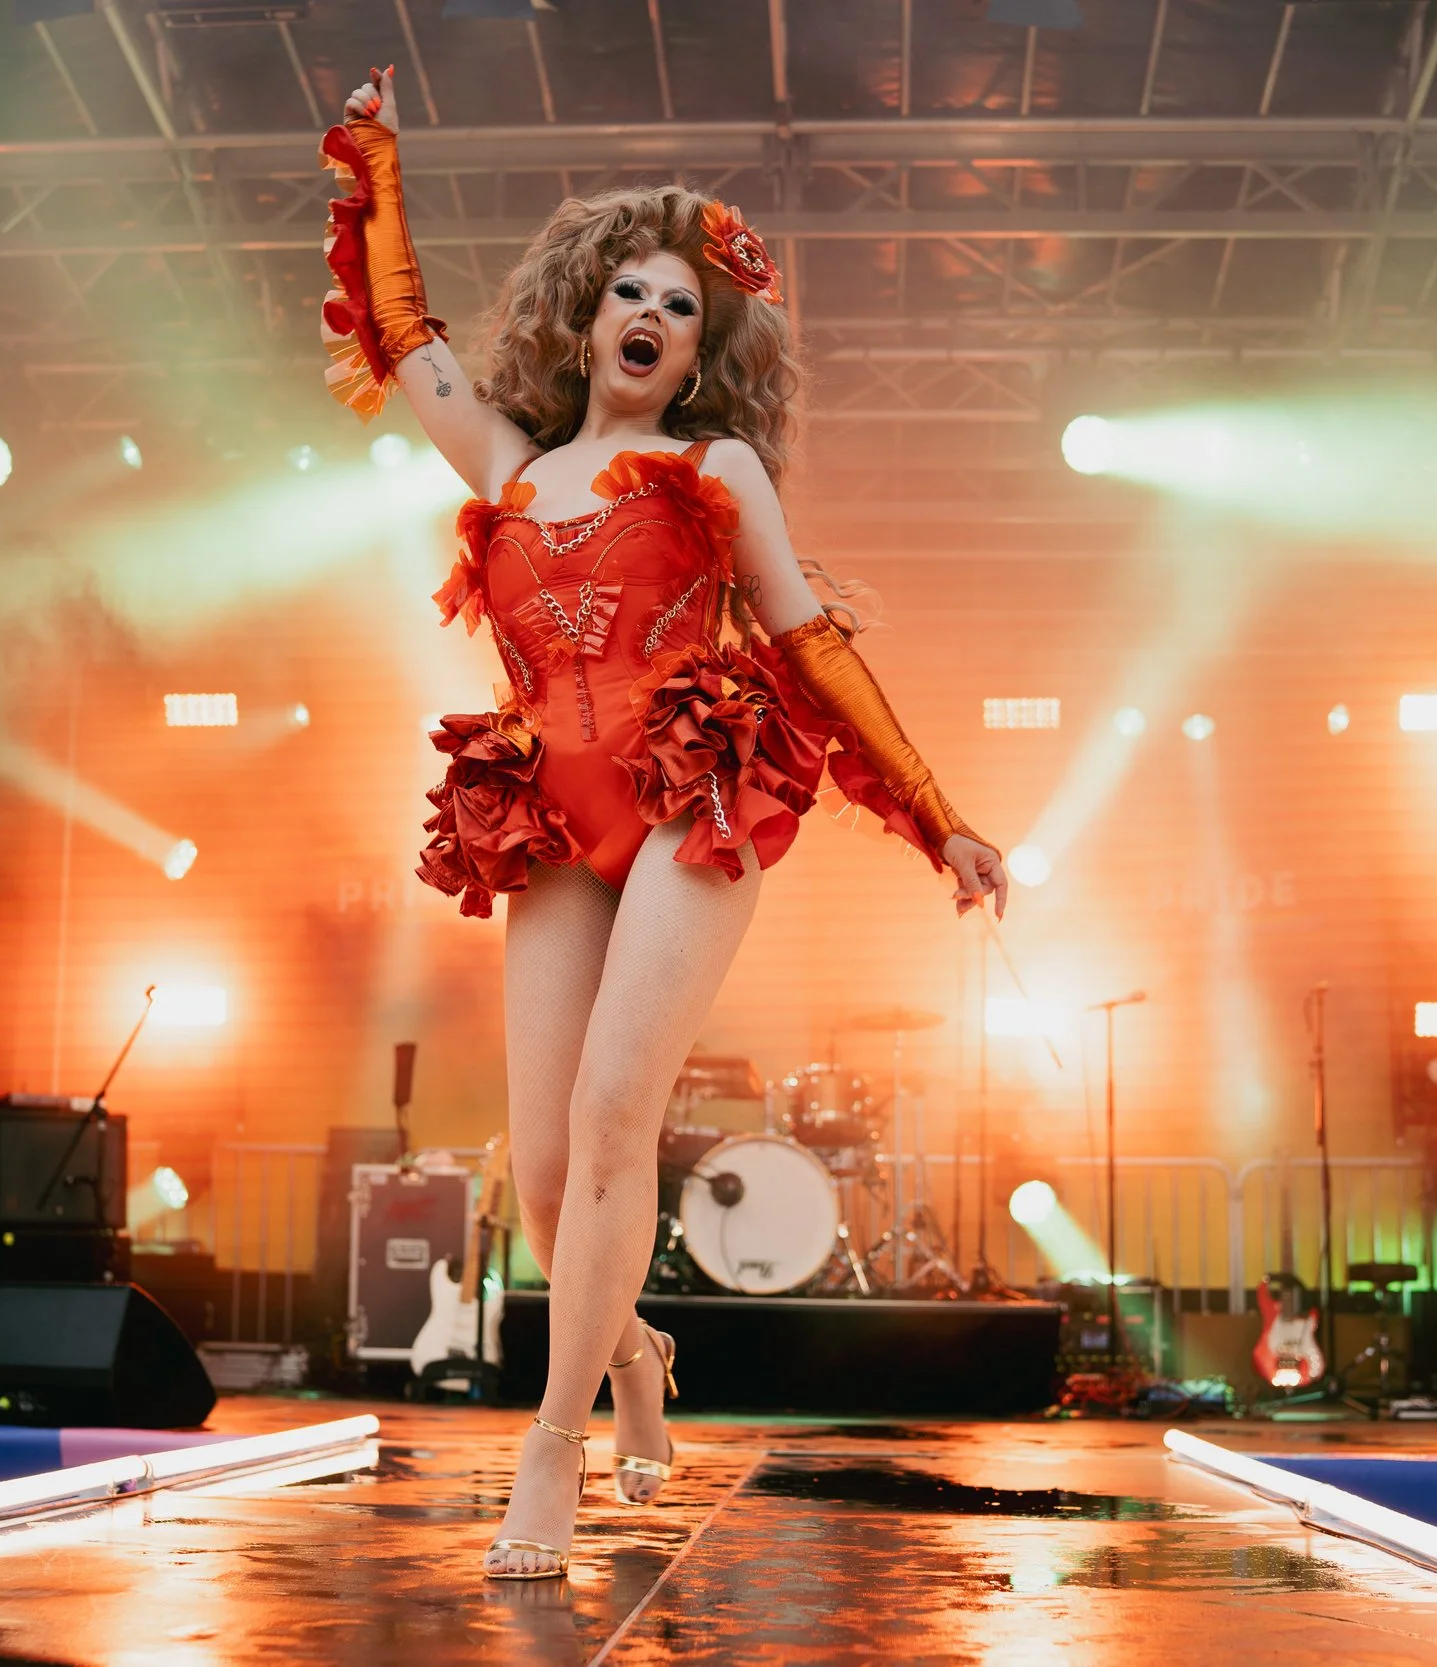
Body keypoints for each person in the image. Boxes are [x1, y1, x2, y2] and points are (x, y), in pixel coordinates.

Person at [322, 68, 1010, 1579]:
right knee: (553, 1170)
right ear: (585, 319)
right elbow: (401, 337)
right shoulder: (510, 463)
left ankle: (553, 1443)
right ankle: (630, 1351)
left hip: (691, 798)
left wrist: (939, 813)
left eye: (681, 305)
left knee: (620, 1117)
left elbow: (814, 641)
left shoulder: (717, 469)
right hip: (552, 811)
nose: (650, 314)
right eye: (628, 290)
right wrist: (375, 161)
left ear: (700, 349)